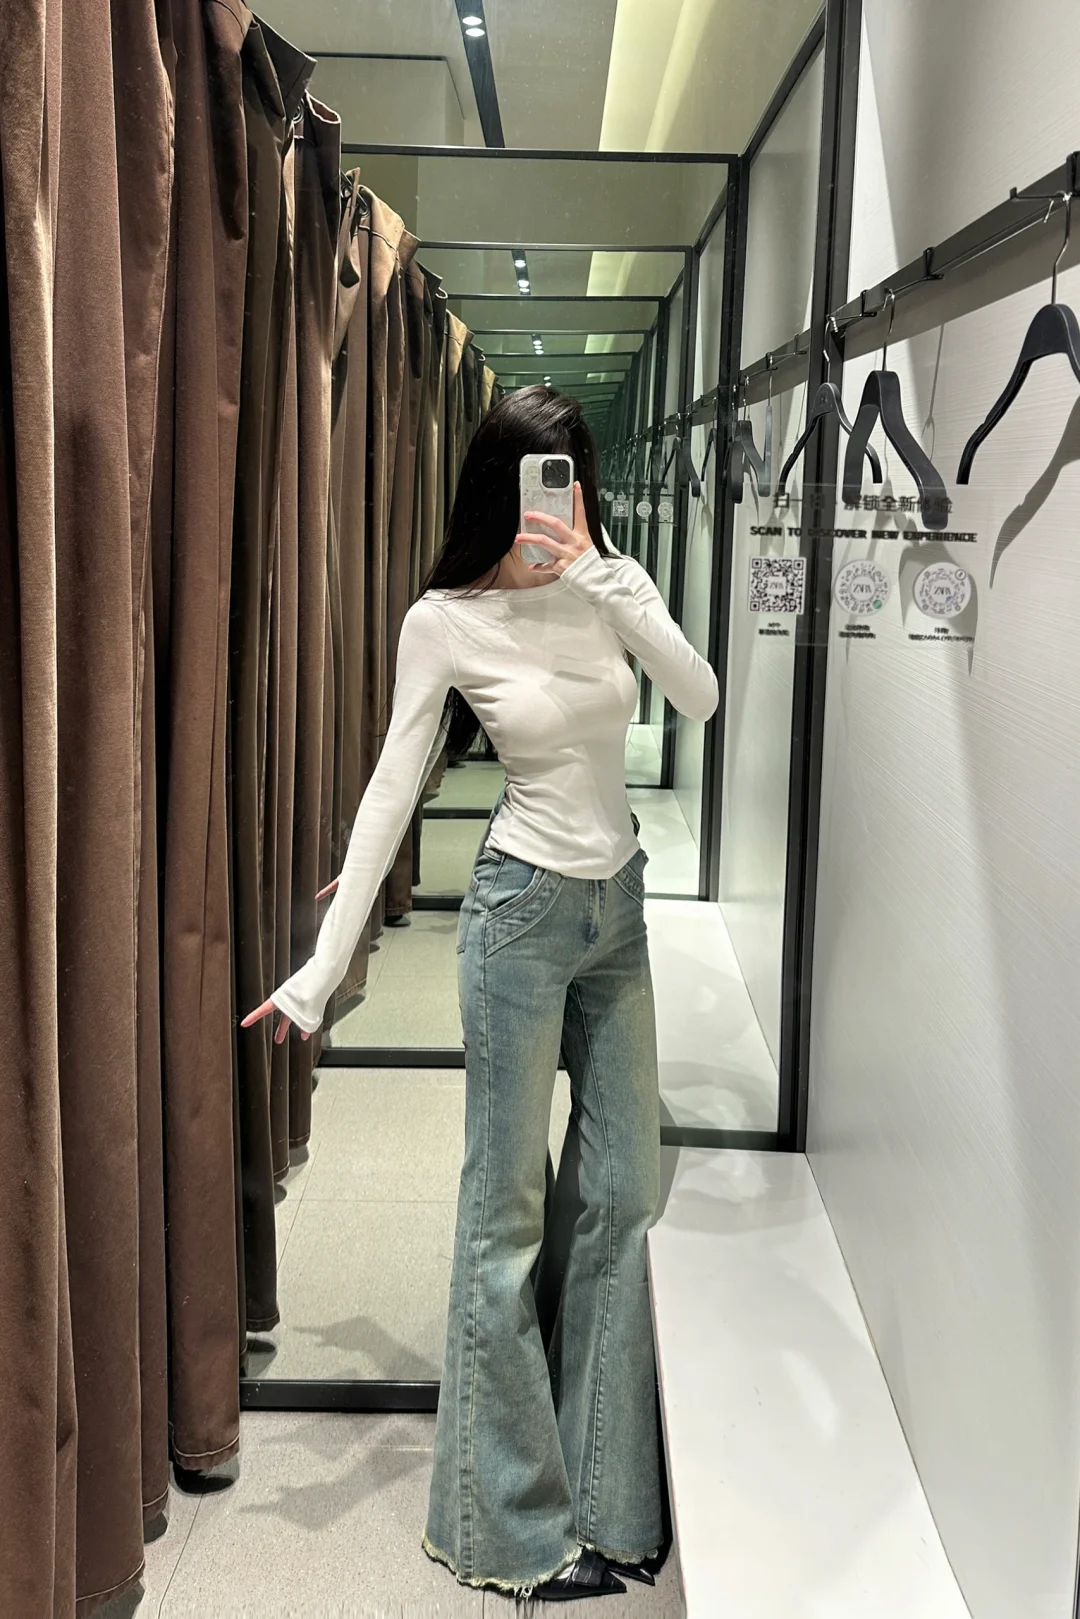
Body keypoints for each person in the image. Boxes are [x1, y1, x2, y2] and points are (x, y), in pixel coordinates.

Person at [243, 384, 719, 1602]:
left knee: (619, 1197)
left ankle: (608, 1497)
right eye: (535, 480)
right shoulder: (445, 618)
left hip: (618, 912)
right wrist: (322, 965)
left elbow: (701, 694)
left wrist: (605, 576)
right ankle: (507, 1528)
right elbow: (392, 783)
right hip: (516, 917)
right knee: (503, 1214)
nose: (552, 506)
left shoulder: (613, 582)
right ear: (494, 489)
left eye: (571, 480)